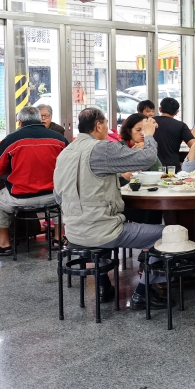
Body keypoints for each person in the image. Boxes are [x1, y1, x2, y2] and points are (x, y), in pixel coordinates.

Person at [53, 108, 170, 310]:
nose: (108, 128)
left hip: (73, 230)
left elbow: (58, 195)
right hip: (104, 230)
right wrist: (149, 135)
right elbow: (148, 159)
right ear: (98, 125)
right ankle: (142, 293)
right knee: (170, 234)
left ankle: (103, 286)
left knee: (101, 226)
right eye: (106, 123)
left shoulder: (66, 152)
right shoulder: (101, 148)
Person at [0, 107, 69, 256]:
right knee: (60, 198)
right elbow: (70, 165)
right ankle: (58, 238)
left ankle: (4, 244)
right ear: (40, 120)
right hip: (53, 196)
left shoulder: (12, 139)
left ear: (20, 122)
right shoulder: (59, 139)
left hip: (21, 198)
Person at [153, 97, 195, 172]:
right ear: (176, 112)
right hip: (172, 168)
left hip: (151, 167)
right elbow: (194, 145)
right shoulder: (181, 125)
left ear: (160, 109)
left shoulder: (149, 122)